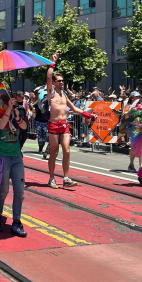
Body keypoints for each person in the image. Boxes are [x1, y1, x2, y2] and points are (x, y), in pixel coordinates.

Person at [45, 52, 91, 188]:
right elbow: (48, 76)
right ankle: (52, 178)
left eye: (63, 81)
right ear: (54, 82)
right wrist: (52, 62)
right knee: (54, 152)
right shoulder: (50, 92)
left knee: (67, 150)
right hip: (53, 125)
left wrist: (88, 115)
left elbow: (75, 109)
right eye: (59, 81)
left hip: (64, 125)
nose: (62, 82)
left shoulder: (64, 95)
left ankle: (66, 178)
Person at [0, 92, 29, 236]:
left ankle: (16, 221)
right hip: (2, 156)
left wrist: (17, 117)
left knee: (19, 190)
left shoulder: (15, 115)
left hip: (16, 157)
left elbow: (24, 127)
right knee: (3, 190)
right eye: (9, 104)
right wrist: (7, 111)